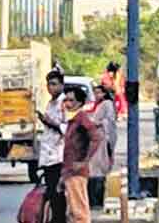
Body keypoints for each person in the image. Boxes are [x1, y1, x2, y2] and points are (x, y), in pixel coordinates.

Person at [60, 85, 104, 223]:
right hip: (69, 170)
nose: (67, 103)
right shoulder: (72, 119)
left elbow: (96, 137)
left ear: (79, 102)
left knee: (79, 212)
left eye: (71, 100)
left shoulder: (81, 118)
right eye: (65, 100)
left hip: (76, 171)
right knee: (73, 210)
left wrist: (84, 161)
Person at [36, 71, 68, 223]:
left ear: (62, 85)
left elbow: (67, 128)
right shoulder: (51, 103)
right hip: (48, 155)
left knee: (57, 193)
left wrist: (50, 123)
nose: (51, 87)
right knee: (51, 192)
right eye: (49, 84)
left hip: (59, 155)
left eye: (54, 84)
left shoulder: (65, 103)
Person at [86, 85, 117, 206]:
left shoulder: (107, 104)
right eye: (95, 93)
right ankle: (94, 201)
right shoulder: (99, 105)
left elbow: (109, 121)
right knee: (94, 169)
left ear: (104, 94)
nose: (97, 95)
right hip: (97, 139)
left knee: (99, 169)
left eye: (99, 93)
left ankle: (97, 201)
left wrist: (96, 123)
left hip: (103, 139)